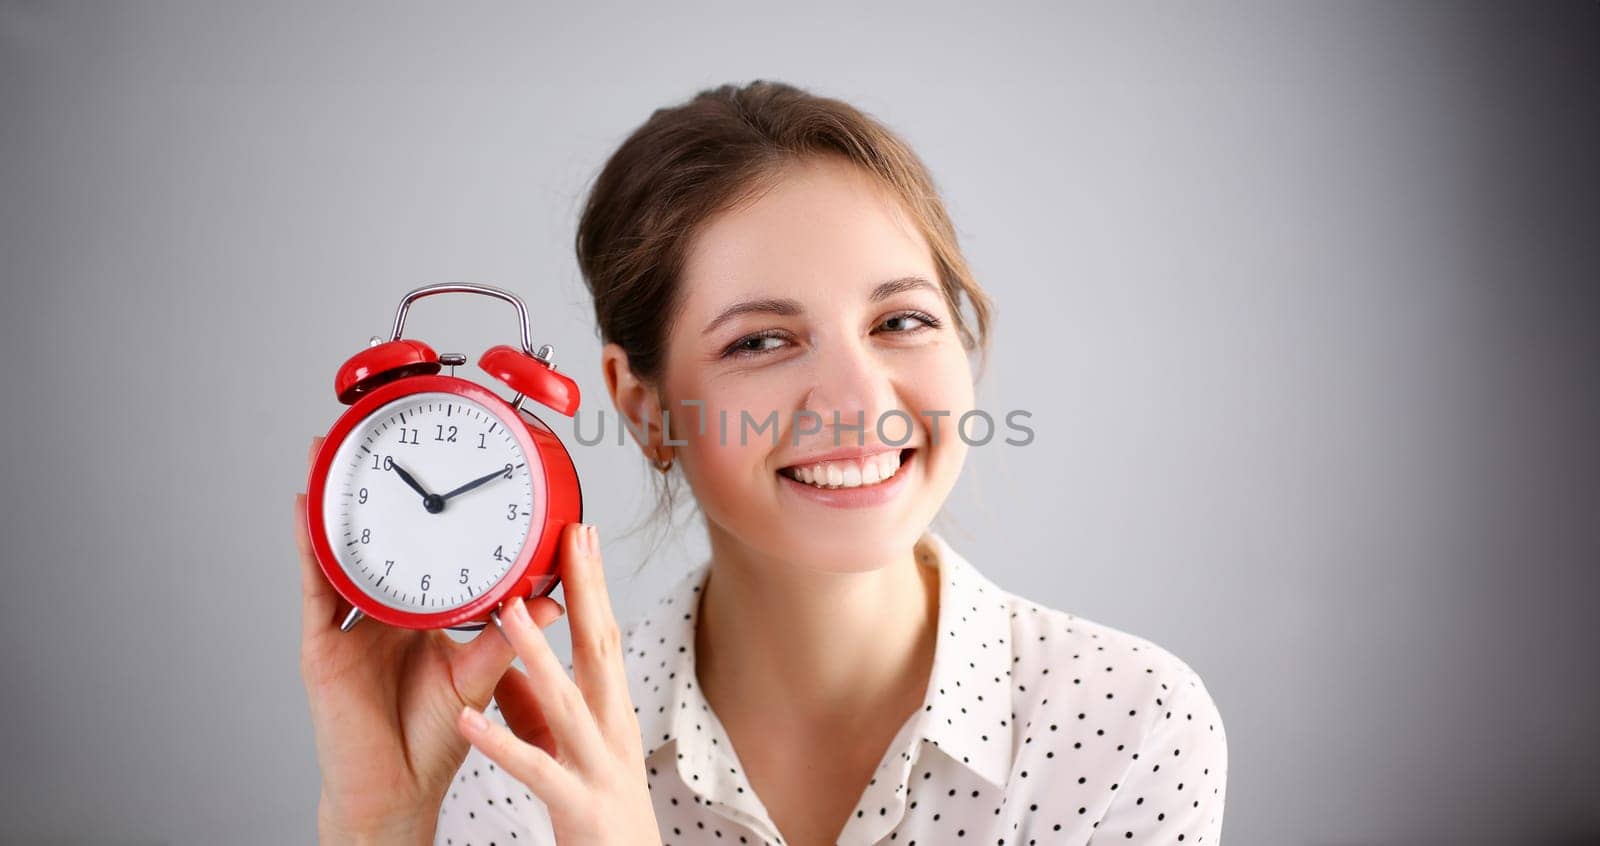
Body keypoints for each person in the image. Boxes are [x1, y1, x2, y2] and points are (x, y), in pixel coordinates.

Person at [295, 79, 1228, 846]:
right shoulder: (510, 773)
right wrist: (382, 823)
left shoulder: (1128, 728)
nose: (860, 402)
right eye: (761, 343)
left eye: (900, 320)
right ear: (644, 407)